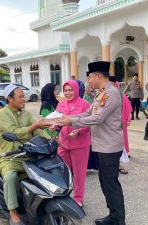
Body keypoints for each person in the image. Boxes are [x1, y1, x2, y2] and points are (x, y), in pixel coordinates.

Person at [57, 61, 126, 225]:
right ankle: (113, 215)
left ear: (97, 76)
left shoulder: (111, 93)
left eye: (90, 78)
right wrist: (67, 119)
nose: (89, 81)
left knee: (111, 184)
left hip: (109, 147)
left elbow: (97, 118)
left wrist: (70, 122)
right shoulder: (101, 94)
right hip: (102, 146)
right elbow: (86, 113)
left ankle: (118, 219)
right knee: (105, 183)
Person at [0, 84, 50, 225]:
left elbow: (37, 131)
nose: (23, 99)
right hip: (9, 157)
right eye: (20, 97)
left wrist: (51, 140)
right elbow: (13, 133)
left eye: (23, 96)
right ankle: (13, 213)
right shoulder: (1, 114)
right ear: (10, 99)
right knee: (10, 176)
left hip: (29, 155)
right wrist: (34, 126)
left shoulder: (27, 114)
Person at [51, 80, 91, 207]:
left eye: (70, 90)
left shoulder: (85, 104)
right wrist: (54, 127)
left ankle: (78, 198)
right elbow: (57, 121)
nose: (68, 93)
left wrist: (78, 131)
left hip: (80, 145)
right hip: (63, 144)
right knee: (63, 171)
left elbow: (90, 123)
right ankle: (64, 194)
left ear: (76, 90)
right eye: (66, 90)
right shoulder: (61, 105)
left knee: (79, 174)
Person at [110, 76, 132, 174]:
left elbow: (128, 107)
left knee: (123, 138)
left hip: (121, 120)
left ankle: (124, 154)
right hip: (111, 122)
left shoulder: (121, 95)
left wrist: (128, 119)